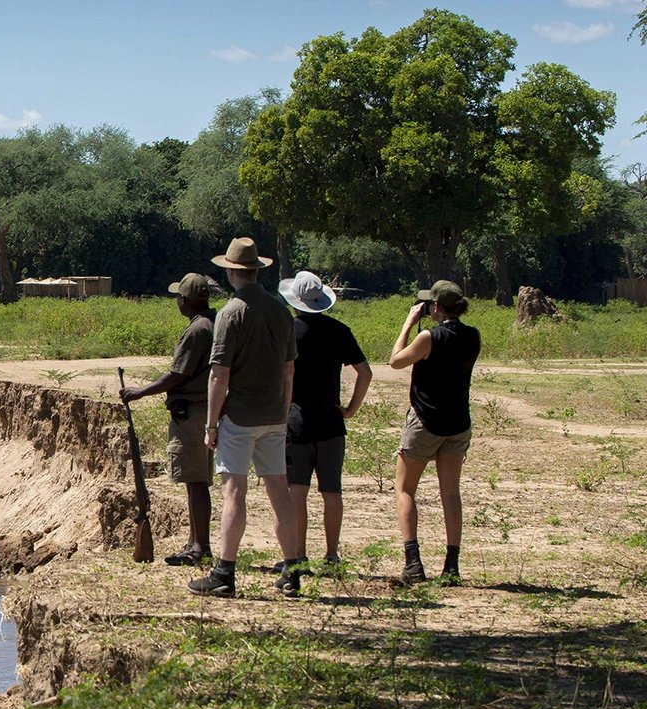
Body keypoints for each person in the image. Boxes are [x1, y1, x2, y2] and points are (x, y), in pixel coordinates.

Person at [187, 237, 304, 598]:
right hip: (273, 415)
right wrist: (283, 412)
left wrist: (211, 424)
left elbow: (219, 375)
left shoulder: (231, 313)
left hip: (240, 416)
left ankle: (225, 572)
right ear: (256, 269)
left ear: (230, 270)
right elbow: (289, 369)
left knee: (234, 491)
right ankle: (292, 570)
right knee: (279, 491)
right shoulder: (280, 310)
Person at [121, 272, 222, 567]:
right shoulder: (213, 324)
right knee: (197, 480)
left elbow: (178, 375)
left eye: (179, 297)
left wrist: (140, 392)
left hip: (192, 412)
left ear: (186, 300)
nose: (177, 302)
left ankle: (199, 546)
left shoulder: (197, 330)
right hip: (205, 409)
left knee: (195, 481)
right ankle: (195, 542)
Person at [388, 280, 481, 586]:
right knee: (450, 493)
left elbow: (396, 361)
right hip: (457, 423)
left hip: (426, 422)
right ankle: (452, 565)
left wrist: (408, 323)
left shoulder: (429, 337)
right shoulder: (472, 336)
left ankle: (413, 562)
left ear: (437, 307)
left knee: (405, 489)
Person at [277, 271, 371, 568]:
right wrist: (351, 408)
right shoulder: (339, 330)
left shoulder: (288, 331)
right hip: (331, 420)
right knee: (332, 491)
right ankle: (331, 555)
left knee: (297, 492)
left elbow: (283, 375)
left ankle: (299, 554)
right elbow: (365, 373)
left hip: (297, 420)